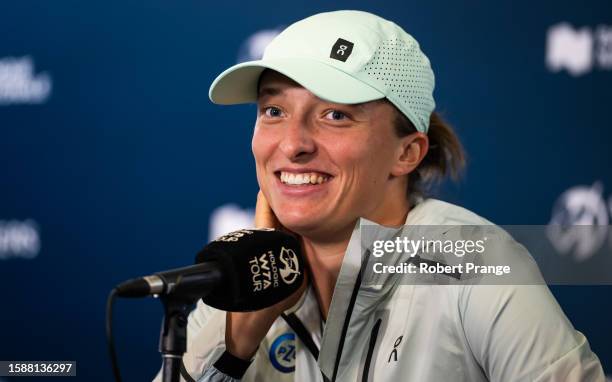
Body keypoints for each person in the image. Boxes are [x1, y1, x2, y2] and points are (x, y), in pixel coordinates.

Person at [154, 10, 605, 382]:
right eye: (274, 110)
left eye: (334, 114)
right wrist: (235, 347)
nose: (292, 144)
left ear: (406, 152)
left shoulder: (476, 264)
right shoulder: (246, 274)